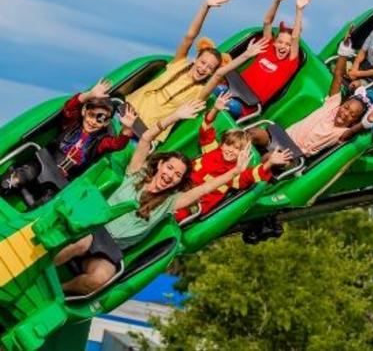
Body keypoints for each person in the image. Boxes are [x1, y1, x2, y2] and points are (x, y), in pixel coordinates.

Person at [53, 100, 253, 296]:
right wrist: (175, 116)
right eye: (169, 168)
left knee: (99, 279)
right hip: (95, 228)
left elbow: (205, 188)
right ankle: (37, 271)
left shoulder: (170, 202)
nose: (171, 175)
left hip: (109, 248)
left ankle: (59, 293)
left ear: (179, 182)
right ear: (160, 165)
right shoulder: (136, 173)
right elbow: (147, 138)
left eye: (177, 175)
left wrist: (235, 172)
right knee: (81, 242)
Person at [126, 0, 268, 142]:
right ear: (195, 59)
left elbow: (220, 74)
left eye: (209, 68)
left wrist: (247, 55)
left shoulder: (200, 93)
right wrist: (205, 6)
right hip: (129, 110)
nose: (203, 68)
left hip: (145, 131)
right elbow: (190, 36)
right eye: (202, 62)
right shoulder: (178, 63)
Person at [1, 80, 138, 204]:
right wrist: (88, 95)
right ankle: (6, 185)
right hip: (44, 161)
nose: (93, 122)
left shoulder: (100, 141)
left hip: (61, 180)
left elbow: (117, 144)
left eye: (100, 119)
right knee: (24, 174)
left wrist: (127, 129)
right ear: (85, 111)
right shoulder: (72, 124)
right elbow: (69, 108)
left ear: (106, 122)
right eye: (92, 115)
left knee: (49, 202)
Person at [174, 92, 293, 222]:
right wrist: (215, 109)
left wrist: (270, 162)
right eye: (229, 145)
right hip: (178, 185)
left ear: (243, 153)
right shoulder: (212, 149)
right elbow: (206, 129)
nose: (231, 150)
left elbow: (252, 175)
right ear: (223, 143)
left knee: (177, 213)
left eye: (237, 149)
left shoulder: (236, 171)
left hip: (193, 204)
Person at [214, 0, 312, 118]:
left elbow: (295, 37)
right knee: (216, 89)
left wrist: (299, 10)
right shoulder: (267, 48)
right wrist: (277, 1)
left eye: (288, 45)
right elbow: (267, 21)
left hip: (246, 105)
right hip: (230, 89)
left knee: (229, 106)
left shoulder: (290, 63)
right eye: (280, 42)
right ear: (275, 43)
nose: (283, 46)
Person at [249, 73, 373, 157]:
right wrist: (343, 52)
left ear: (355, 120)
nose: (346, 113)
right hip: (283, 137)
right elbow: (337, 77)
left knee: (269, 157)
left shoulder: (341, 132)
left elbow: (353, 131)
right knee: (254, 133)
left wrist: (367, 122)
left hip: (294, 154)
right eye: (346, 108)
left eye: (352, 115)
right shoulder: (332, 106)